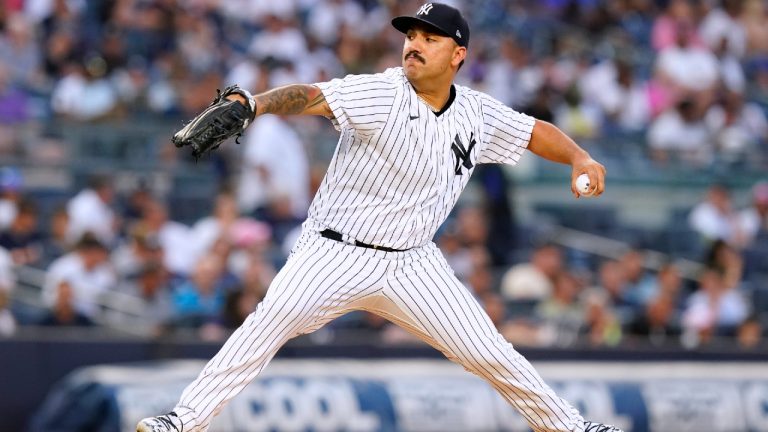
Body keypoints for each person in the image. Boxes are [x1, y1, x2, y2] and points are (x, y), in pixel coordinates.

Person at [137, 4, 618, 432]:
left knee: (489, 351)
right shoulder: (382, 93)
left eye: (430, 38)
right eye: (411, 36)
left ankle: (568, 427)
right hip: (334, 251)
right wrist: (255, 105)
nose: (415, 45)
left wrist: (579, 156)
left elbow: (533, 132)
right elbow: (313, 95)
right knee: (270, 321)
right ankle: (183, 421)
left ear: (458, 55)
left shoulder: (475, 112)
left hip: (412, 262)